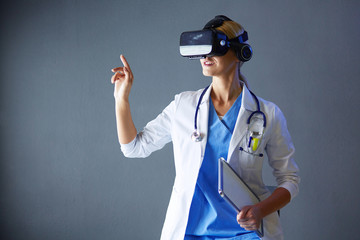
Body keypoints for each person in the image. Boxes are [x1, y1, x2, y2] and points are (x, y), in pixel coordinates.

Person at [111, 15, 300, 240]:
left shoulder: (268, 114)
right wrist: (121, 99)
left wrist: (261, 210)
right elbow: (134, 147)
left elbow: (290, 179)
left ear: (240, 53)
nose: (206, 56)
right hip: (191, 232)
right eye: (202, 48)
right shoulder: (183, 106)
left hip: (247, 233)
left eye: (215, 47)